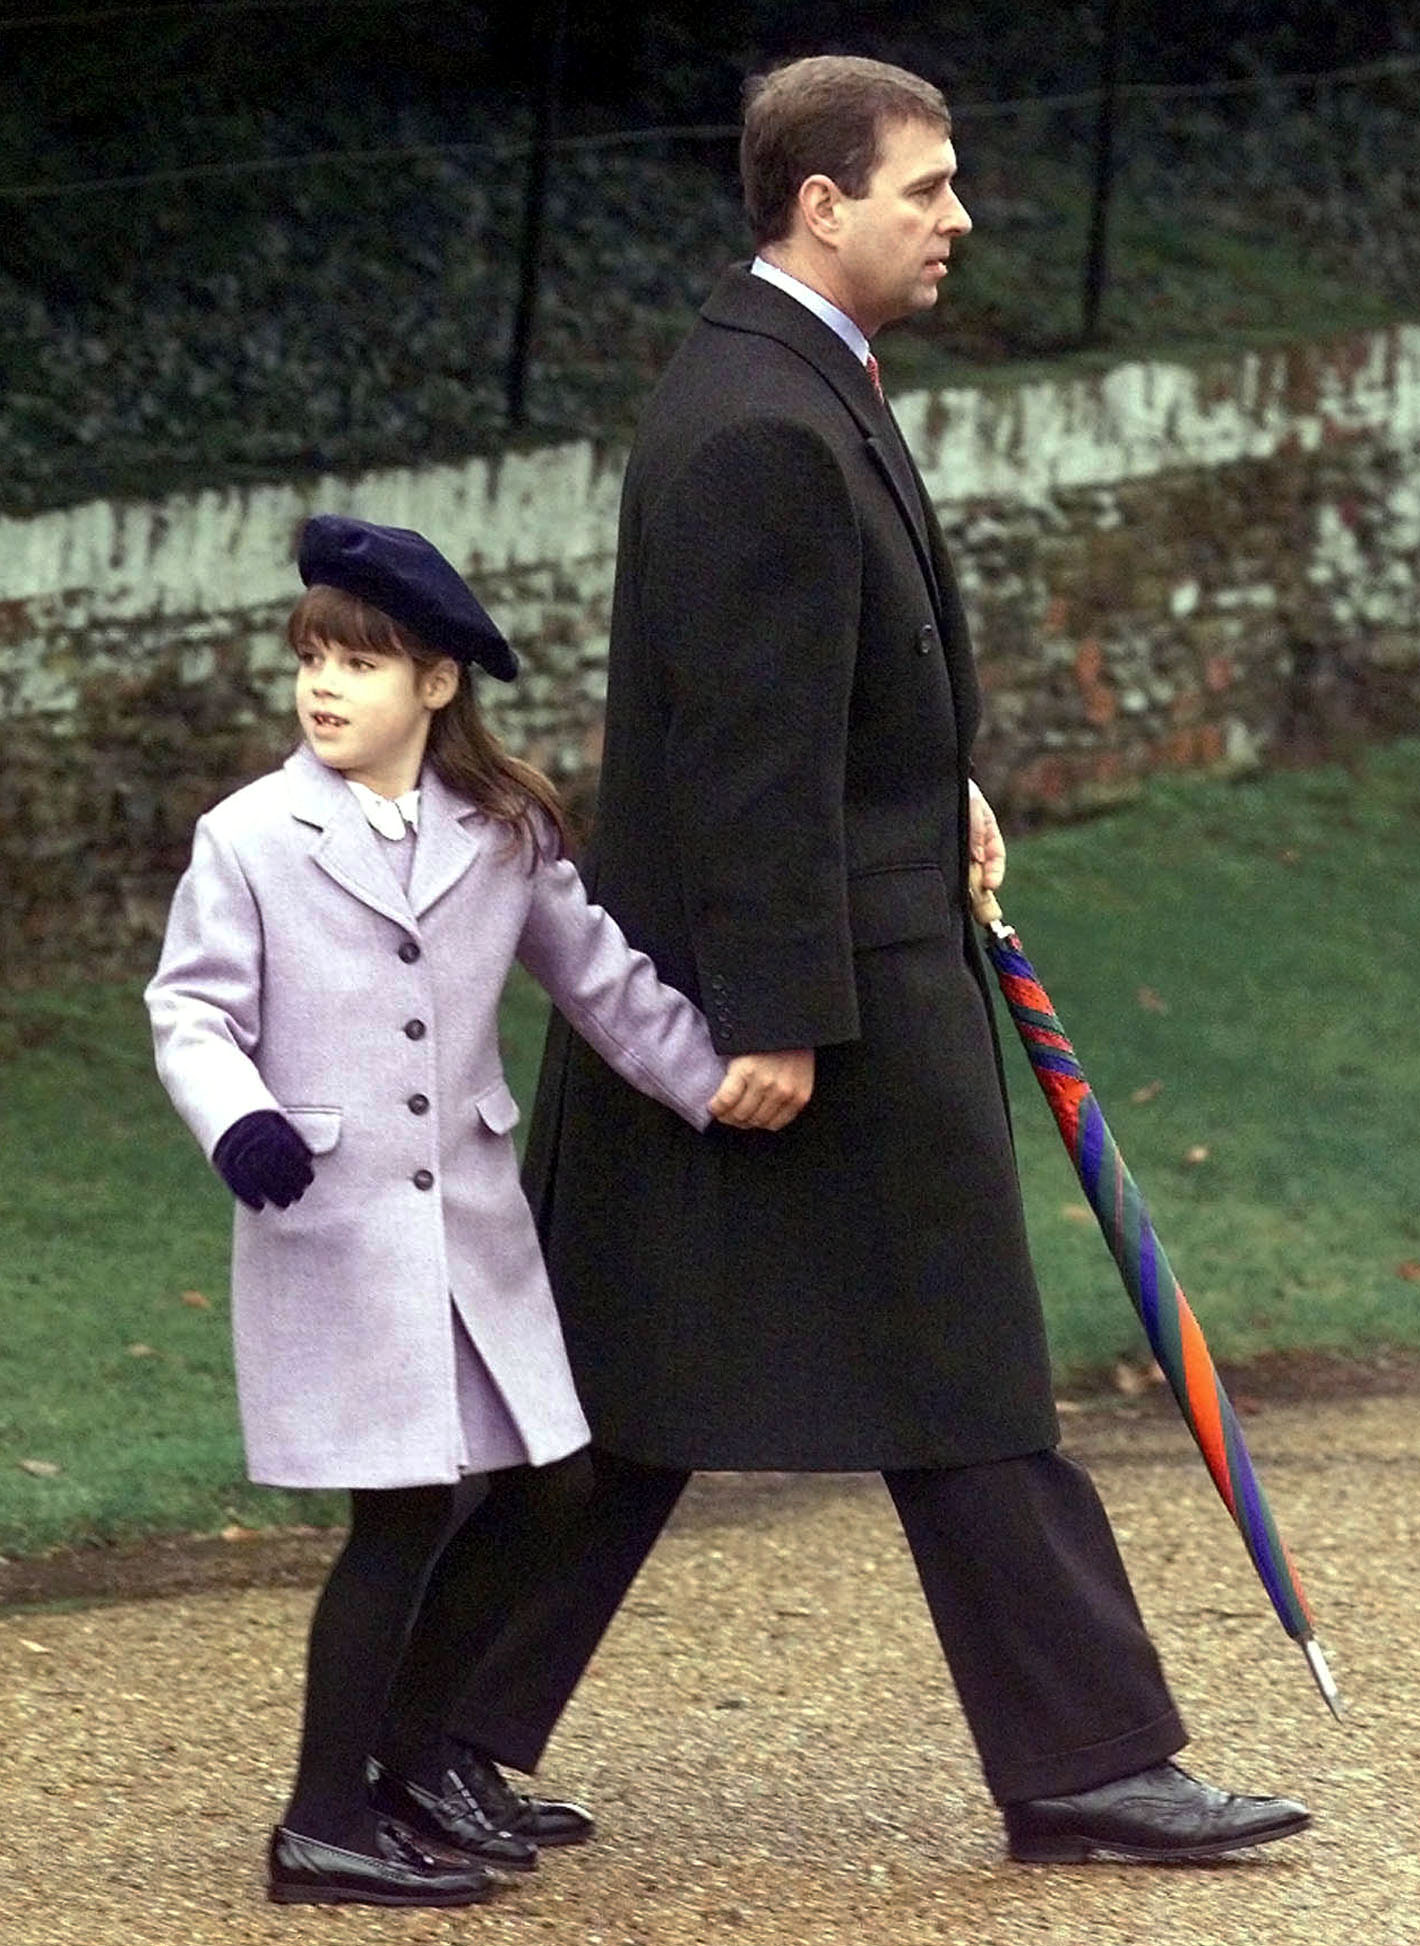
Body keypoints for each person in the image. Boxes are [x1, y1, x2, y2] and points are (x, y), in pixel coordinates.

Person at [420, 55, 1314, 1869]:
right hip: (800, 997)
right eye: (930, 187)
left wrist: (939, 786)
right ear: (822, 203)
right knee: (795, 1377)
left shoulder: (779, 381)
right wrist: (767, 1023)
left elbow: (821, 695)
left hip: (832, 954)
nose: (960, 217)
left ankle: (429, 1735)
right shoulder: (761, 417)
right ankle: (417, 1738)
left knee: (780, 1377)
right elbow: (744, 754)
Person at [143, 514, 736, 1908]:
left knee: (550, 1479)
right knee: (402, 1509)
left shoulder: (504, 832)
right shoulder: (251, 837)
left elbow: (599, 981)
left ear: (439, 683)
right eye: (311, 660)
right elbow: (191, 1010)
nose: (325, 686)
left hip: (471, 1225)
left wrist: (723, 1084)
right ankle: (319, 1822)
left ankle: (414, 1762)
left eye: (361, 660)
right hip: (335, 1227)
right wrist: (242, 1120)